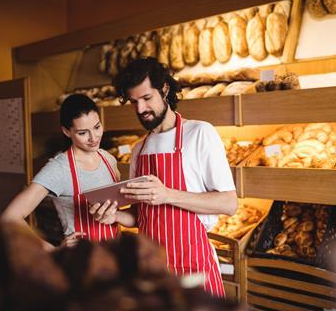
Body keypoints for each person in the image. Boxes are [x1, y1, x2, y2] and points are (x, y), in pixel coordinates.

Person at [92, 57, 238, 297]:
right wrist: (114, 216)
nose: (140, 109)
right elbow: (143, 217)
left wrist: (167, 194)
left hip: (193, 268)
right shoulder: (140, 149)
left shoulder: (200, 133)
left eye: (147, 98)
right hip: (154, 271)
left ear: (165, 89)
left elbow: (229, 203)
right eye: (134, 101)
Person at [2, 94, 121, 251]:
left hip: (114, 255)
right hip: (81, 261)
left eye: (97, 127)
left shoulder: (108, 159)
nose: (94, 137)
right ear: (66, 131)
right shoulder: (59, 169)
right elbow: (9, 219)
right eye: (83, 132)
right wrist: (54, 251)